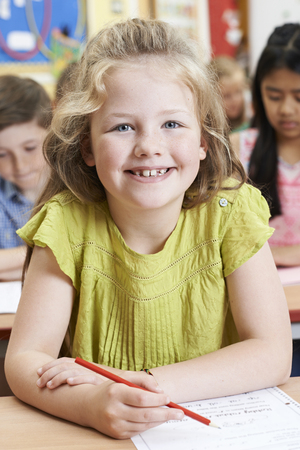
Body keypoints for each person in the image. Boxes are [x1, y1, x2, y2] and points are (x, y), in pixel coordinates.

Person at [5, 19, 291, 440]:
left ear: (203, 141)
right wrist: (90, 403)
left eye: (172, 124)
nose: (148, 146)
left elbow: (272, 353)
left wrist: (138, 383)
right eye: (123, 127)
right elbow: (24, 359)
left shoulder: (231, 211)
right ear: (87, 146)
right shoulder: (67, 223)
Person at [231, 23, 300, 267]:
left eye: (299, 97)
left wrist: (281, 256)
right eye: (274, 96)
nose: (286, 110)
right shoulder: (239, 150)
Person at [0, 75, 52, 281]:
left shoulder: (75, 186)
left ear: (52, 132)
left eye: (29, 148)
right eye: (2, 154)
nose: (19, 166)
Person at [209, 55, 252, 133]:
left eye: (238, 91)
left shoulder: (251, 117)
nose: (235, 100)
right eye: (227, 96)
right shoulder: (210, 131)